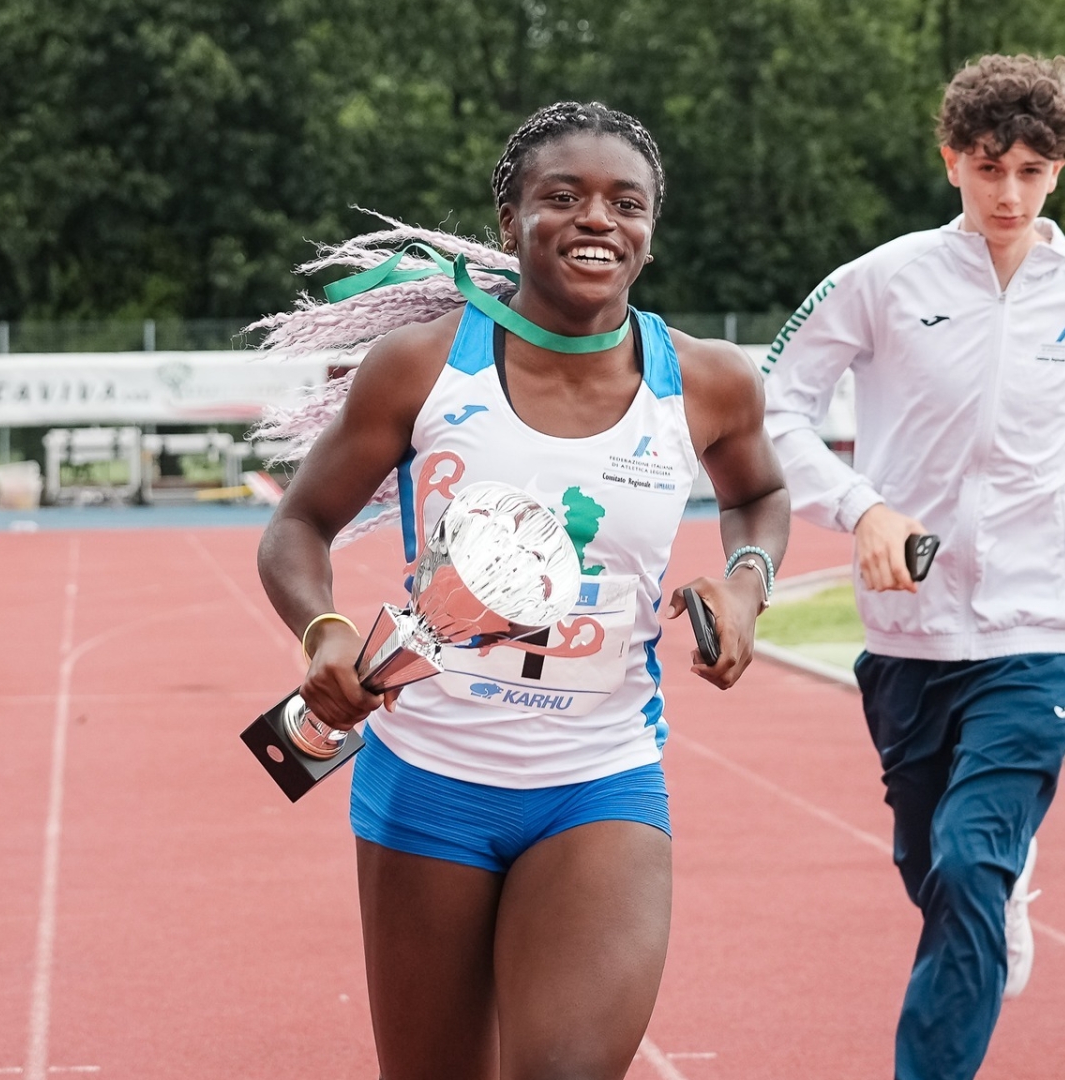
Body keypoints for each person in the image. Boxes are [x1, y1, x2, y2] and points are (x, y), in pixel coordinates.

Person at [253, 102, 790, 1080]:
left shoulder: (706, 381)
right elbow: (297, 527)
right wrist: (325, 631)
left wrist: (748, 584)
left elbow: (757, 494)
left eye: (626, 202)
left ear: (651, 230)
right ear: (511, 223)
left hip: (601, 783)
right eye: (564, 197)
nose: (598, 219)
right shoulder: (424, 368)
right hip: (429, 785)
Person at [761, 55, 1065, 1080]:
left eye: (1031, 170)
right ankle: (998, 896)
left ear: (1059, 169)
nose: (1008, 193)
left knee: (969, 860)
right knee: (937, 870)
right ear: (950, 160)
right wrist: (859, 504)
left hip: (1041, 624)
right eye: (987, 166)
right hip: (909, 632)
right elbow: (774, 403)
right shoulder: (877, 280)